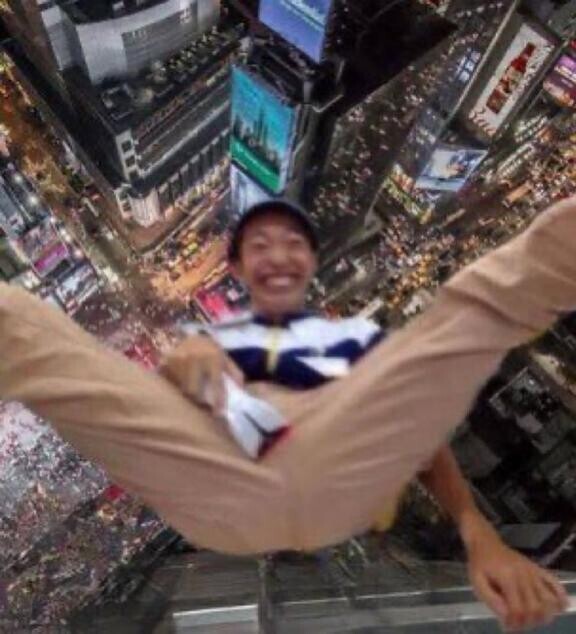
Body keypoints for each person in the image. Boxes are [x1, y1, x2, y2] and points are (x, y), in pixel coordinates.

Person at [0, 198, 575, 630]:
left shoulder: (345, 340)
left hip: (292, 492)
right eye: (261, 247)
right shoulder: (226, 339)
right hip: (232, 485)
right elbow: (176, 386)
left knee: (486, 310)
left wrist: (478, 533)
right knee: (31, 343)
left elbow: (414, 436)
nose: (277, 257)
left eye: (291, 245)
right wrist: (199, 372)